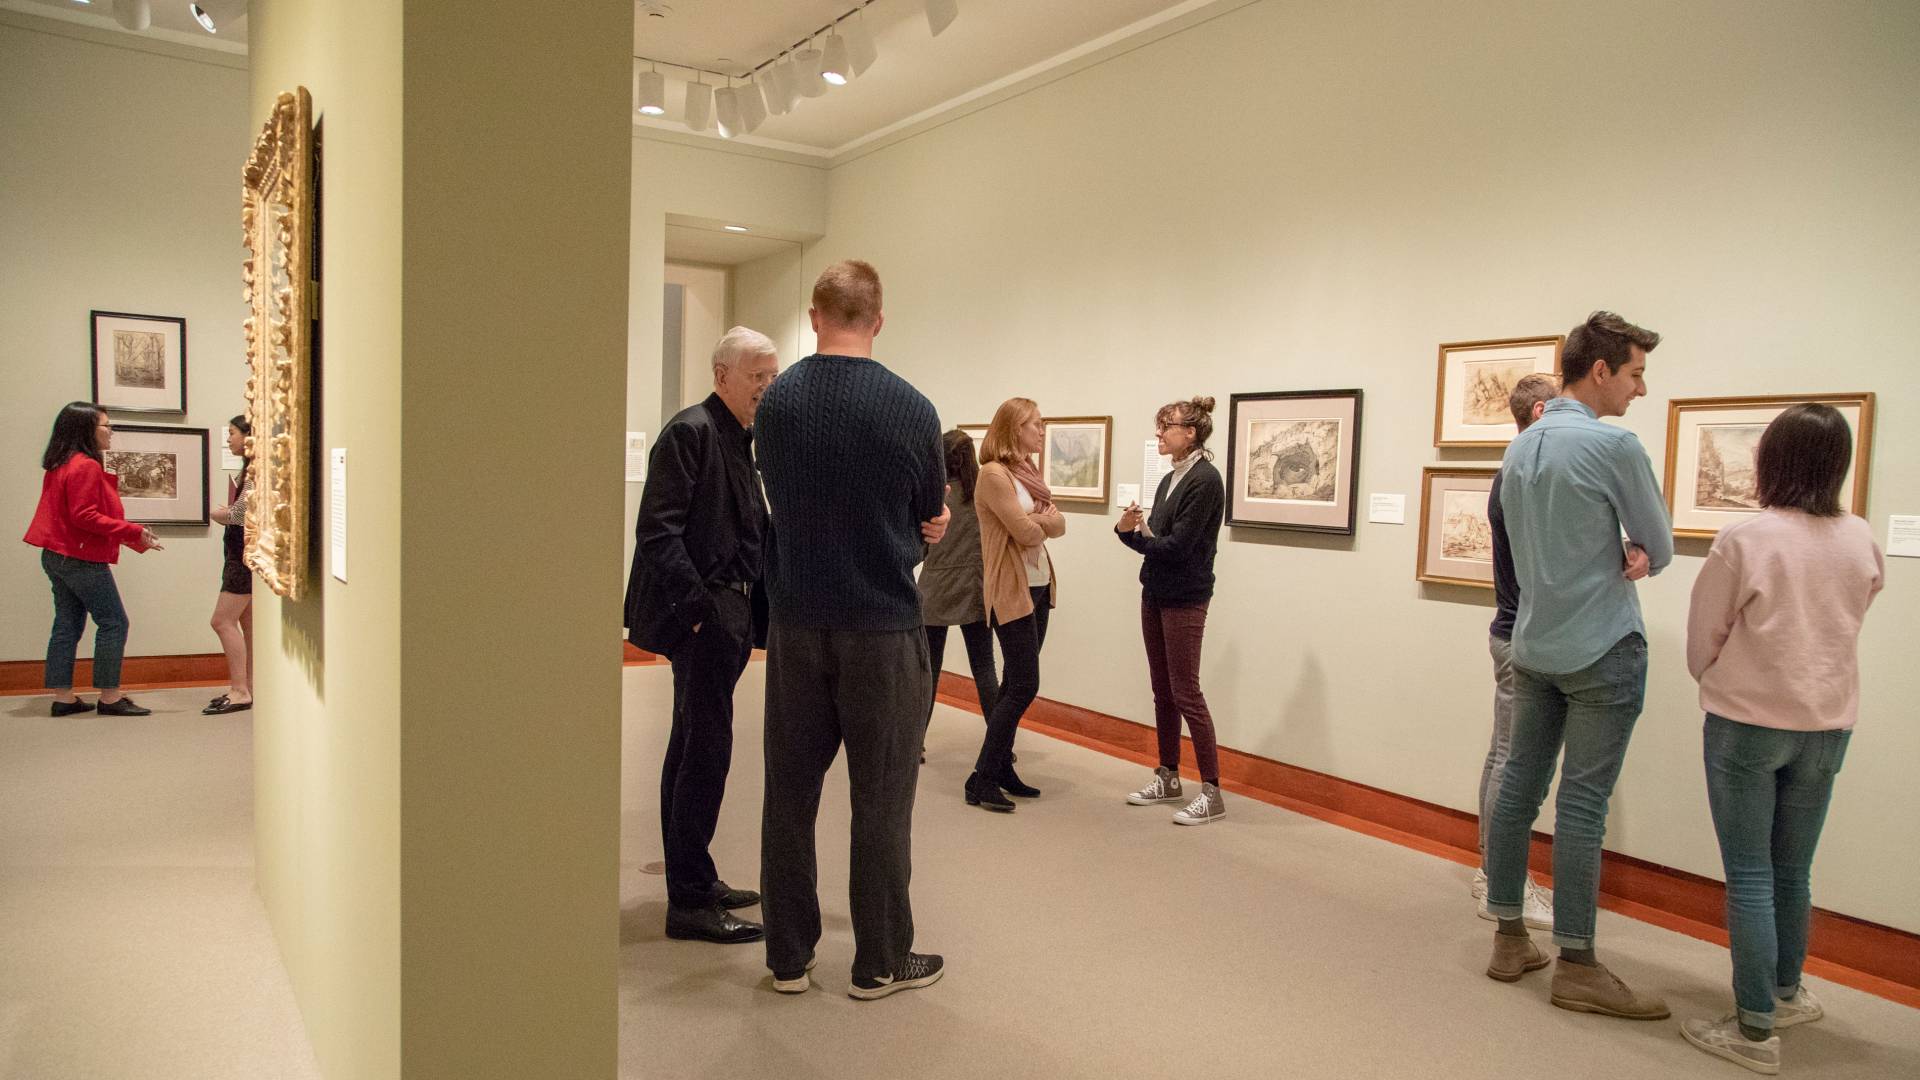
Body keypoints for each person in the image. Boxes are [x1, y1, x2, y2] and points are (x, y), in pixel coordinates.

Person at [755, 260, 950, 1000]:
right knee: (882, 798)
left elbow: (782, 501)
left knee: (789, 794)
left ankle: (787, 955)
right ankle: (879, 961)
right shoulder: (912, 408)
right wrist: (930, 527)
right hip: (883, 628)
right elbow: (926, 516)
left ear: (815, 316)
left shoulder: (776, 404)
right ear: (879, 319)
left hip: (797, 624)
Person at [1679, 404, 1883, 1074]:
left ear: (1772, 460)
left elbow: (1705, 635)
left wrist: (1720, 676)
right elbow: (1855, 609)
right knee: (1792, 870)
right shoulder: (1859, 537)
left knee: (1750, 875)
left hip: (1747, 724)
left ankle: (1753, 1028)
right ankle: (1786, 994)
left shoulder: (1747, 538)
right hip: (1826, 726)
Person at [1482, 311, 1673, 1019]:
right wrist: (1634, 549)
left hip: (1534, 644)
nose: (1639, 389)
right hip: (1601, 646)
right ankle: (1579, 964)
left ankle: (1509, 937)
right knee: (1583, 806)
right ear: (1600, 370)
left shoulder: (1519, 450)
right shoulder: (1612, 445)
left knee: (1516, 790)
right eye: (1635, 374)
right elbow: (1660, 544)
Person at [624, 326, 780, 946]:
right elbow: (657, 531)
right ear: (722, 375)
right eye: (756, 377)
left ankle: (694, 879)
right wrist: (699, 613)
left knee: (692, 744)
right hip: (707, 618)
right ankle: (689, 900)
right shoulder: (690, 432)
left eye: (772, 377)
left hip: (728, 614)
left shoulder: (739, 438)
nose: (766, 388)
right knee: (705, 751)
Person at [1471, 375, 1559, 922]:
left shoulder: (1515, 471)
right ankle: (1499, 879)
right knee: (1510, 757)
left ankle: (1495, 870)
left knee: (1502, 752)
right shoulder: (1519, 475)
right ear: (1542, 411)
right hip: (1518, 633)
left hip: (1513, 630)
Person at [1115, 396, 1227, 825]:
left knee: (1186, 692)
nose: (1159, 434)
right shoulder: (1169, 480)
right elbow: (1157, 541)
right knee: (1162, 689)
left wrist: (1140, 539)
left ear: (1191, 433)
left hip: (1185, 596)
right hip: (1156, 592)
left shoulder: (1205, 480)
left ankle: (1212, 791)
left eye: (1167, 426)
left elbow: (1177, 547)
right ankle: (1168, 775)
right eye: (1159, 426)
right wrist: (1127, 531)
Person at [22, 402, 161, 717]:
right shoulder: (85, 466)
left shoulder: (61, 463)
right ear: (86, 429)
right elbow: (84, 516)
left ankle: (63, 698)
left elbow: (71, 517)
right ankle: (110, 697)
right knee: (114, 622)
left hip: (56, 554)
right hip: (79, 557)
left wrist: (133, 536)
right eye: (106, 425)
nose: (111, 431)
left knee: (67, 624)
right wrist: (134, 531)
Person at [966, 398, 1065, 812]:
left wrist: (1041, 522)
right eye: (1035, 424)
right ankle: (982, 778)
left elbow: (1060, 523)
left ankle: (999, 768)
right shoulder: (993, 474)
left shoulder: (1028, 472)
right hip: (1011, 589)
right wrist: (1042, 521)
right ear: (1013, 428)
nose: (1041, 431)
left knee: (1013, 682)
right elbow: (1027, 532)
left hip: (1038, 586)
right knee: (1025, 684)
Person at [917, 429, 1000, 761]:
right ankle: (1000, 744)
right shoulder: (982, 496)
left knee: (929, 671)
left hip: (934, 588)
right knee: (984, 668)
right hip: (973, 588)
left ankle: (914, 743)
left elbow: (921, 545)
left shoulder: (936, 497)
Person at [204, 415, 255, 715]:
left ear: (248, 436)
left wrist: (217, 514)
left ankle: (239, 690)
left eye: (233, 433)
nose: (229, 439)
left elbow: (240, 514)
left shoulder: (254, 473)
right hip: (243, 554)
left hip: (241, 557)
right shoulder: (250, 470)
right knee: (247, 623)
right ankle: (248, 686)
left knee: (221, 621)